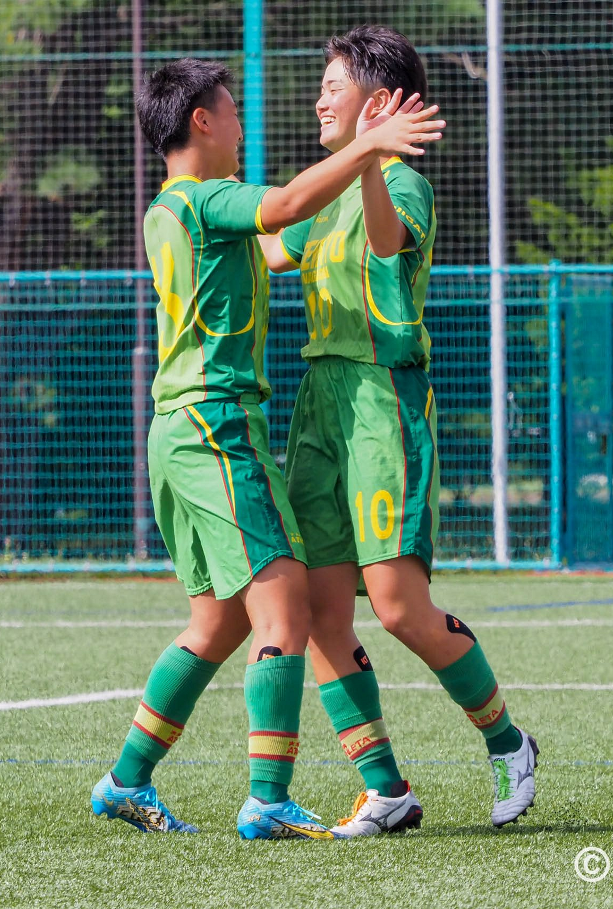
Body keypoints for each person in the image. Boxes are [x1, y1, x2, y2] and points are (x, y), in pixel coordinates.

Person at [88, 57, 442, 839]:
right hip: (216, 425)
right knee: (284, 601)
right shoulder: (211, 198)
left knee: (216, 623)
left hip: (175, 433)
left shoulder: (166, 209)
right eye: (234, 111)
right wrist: (368, 143)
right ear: (202, 122)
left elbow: (290, 232)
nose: (247, 126)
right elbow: (282, 205)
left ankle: (125, 780)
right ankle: (268, 796)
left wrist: (359, 178)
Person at [256, 26, 537, 836]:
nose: (318, 99)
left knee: (399, 606)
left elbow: (384, 244)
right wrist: (196, 212)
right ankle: (386, 786)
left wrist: (375, 159)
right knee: (317, 612)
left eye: (333, 87)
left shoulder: (401, 187)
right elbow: (274, 248)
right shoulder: (325, 190)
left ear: (376, 106)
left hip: (384, 402)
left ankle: (510, 743)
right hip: (319, 403)